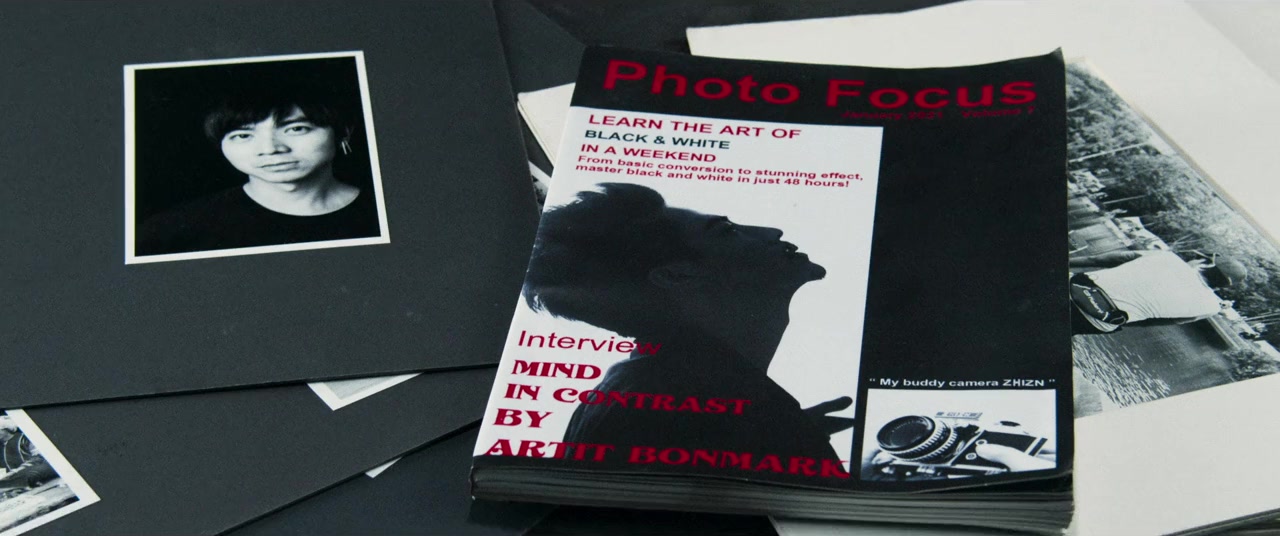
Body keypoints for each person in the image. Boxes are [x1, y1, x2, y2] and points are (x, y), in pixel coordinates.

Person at [523, 183, 853, 467]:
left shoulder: (651, 393)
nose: (772, 231)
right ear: (676, 275)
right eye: (727, 231)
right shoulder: (673, 405)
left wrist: (779, 441)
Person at [136, 84, 379, 256]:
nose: (270, 149)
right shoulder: (172, 230)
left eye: (296, 129)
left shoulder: (382, 213)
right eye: (243, 135)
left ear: (344, 132)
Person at [1068, 249, 1247, 334]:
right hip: (1098, 321)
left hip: (1071, 289)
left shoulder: (1166, 256)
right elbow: (1150, 322)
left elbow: (1097, 259)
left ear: (1206, 264)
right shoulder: (1210, 308)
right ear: (1222, 286)